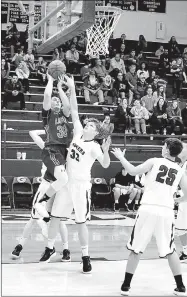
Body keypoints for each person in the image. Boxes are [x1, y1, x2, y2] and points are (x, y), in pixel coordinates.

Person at [39, 75, 111, 274]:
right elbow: (75, 111)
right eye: (87, 125)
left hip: (81, 186)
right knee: (55, 218)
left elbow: (105, 165)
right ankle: (49, 248)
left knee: (81, 223)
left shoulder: (95, 146)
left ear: (95, 133)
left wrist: (105, 150)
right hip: (67, 183)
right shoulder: (78, 133)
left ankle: (86, 257)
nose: (86, 126)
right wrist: (68, 88)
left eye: (91, 126)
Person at [111, 138, 187, 295]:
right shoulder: (180, 170)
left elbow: (132, 171)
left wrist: (121, 157)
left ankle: (126, 286)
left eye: (164, 145)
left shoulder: (154, 161)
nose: (162, 147)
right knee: (170, 249)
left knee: (136, 248)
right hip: (166, 211)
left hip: (148, 209)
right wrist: (176, 199)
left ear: (167, 150)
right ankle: (180, 286)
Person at [11, 130, 69, 261]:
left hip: (56, 187)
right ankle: (20, 246)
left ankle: (65, 250)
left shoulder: (67, 151)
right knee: (37, 218)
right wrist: (47, 130)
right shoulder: (48, 147)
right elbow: (32, 133)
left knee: (57, 220)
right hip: (48, 186)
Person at [33, 74, 71, 218]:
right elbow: (47, 96)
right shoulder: (48, 114)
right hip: (52, 149)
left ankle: (45, 209)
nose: (56, 101)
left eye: (58, 101)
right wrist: (50, 80)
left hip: (62, 151)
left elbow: (68, 106)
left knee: (59, 181)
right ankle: (40, 203)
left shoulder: (64, 114)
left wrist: (61, 89)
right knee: (63, 179)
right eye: (54, 100)